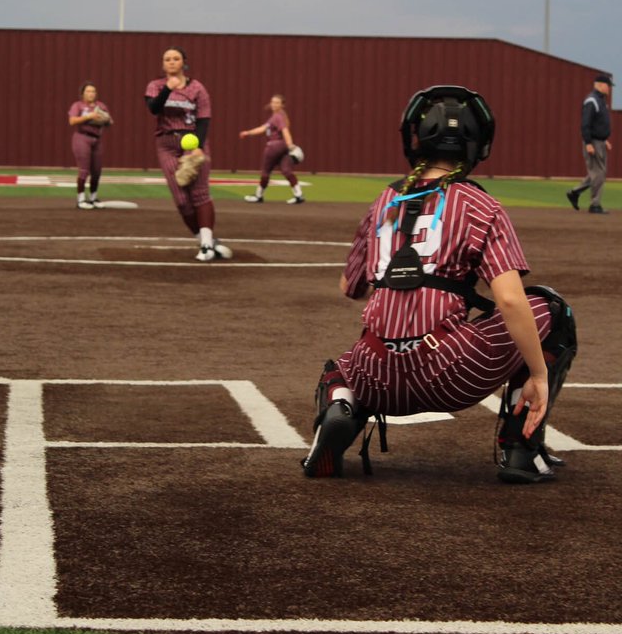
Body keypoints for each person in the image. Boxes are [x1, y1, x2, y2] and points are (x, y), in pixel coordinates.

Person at [301, 84, 577, 486]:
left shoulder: (384, 202)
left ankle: (340, 408)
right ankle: (521, 449)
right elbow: (511, 301)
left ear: (415, 139)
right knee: (551, 310)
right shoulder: (482, 205)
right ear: (477, 144)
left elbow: (351, 286)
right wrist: (537, 374)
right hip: (451, 373)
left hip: (375, 377)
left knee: (339, 371)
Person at [144, 46, 233, 263]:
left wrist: (199, 146)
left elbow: (204, 119)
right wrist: (168, 88)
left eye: (176, 58)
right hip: (167, 144)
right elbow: (154, 109)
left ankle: (205, 245)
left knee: (200, 193)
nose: (172, 62)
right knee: (182, 199)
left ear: (183, 62)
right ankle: (206, 241)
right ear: (163, 64)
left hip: (193, 143)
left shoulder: (197, 88)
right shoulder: (155, 86)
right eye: (167, 59)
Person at [239, 94, 305, 204]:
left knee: (266, 171)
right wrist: (248, 132)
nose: (274, 104)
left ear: (282, 105)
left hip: (275, 146)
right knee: (286, 170)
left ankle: (258, 195)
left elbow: (285, 131)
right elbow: (262, 129)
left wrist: (290, 145)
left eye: (277, 102)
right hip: (282, 147)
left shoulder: (278, 116)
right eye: (273, 102)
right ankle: (299, 195)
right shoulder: (277, 116)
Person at [566, 74, 613, 215]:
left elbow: (598, 124)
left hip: (600, 142)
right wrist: (588, 143)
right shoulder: (592, 101)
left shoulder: (601, 101)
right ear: (599, 84)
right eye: (607, 85)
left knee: (597, 173)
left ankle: (575, 192)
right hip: (593, 142)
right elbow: (586, 123)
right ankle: (595, 204)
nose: (609, 88)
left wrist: (605, 140)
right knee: (599, 173)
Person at [68, 82, 113, 209]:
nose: (91, 93)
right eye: (88, 91)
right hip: (82, 137)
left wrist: (106, 120)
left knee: (97, 170)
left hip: (97, 139)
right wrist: (89, 116)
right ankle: (81, 199)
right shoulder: (78, 105)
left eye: (93, 91)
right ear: (82, 94)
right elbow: (72, 121)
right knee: (84, 170)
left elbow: (109, 121)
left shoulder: (101, 106)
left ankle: (93, 198)